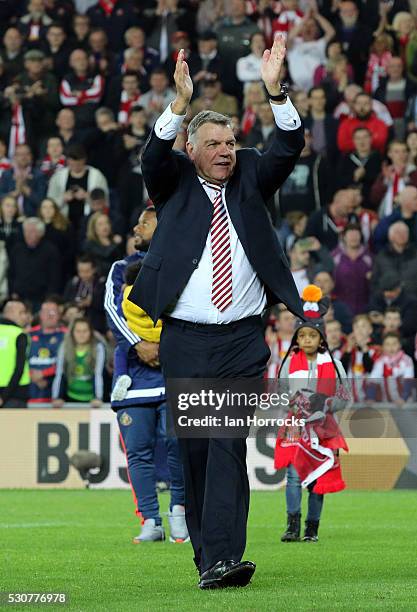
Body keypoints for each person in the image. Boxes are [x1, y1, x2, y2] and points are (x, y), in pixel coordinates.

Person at [129, 39, 304, 589]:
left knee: (227, 443)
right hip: (186, 339)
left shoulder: (253, 173)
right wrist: (177, 104)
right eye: (214, 143)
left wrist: (276, 91)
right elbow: (152, 157)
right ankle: (209, 559)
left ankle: (225, 558)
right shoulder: (173, 179)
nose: (227, 150)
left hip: (242, 342)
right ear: (192, 146)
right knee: (199, 452)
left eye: (231, 141)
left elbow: (290, 145)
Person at [105, 208, 188, 544]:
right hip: (133, 378)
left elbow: (188, 313)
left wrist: (163, 346)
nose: (135, 226)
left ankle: (179, 514)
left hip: (173, 373)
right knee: (137, 451)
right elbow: (111, 309)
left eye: (144, 222)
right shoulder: (121, 268)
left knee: (178, 446)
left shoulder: (183, 263)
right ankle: (151, 520)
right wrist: (139, 344)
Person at [274, 285, 350, 543]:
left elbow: (345, 396)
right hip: (296, 426)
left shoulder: (334, 364)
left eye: (312, 335)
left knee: (318, 476)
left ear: (321, 338)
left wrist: (326, 405)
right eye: (302, 335)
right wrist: (292, 405)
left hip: (323, 428)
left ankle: (312, 527)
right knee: (293, 476)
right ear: (296, 338)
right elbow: (280, 392)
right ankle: (292, 525)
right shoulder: (287, 363)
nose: (307, 340)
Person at [8, 217, 61, 311]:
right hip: (19, 297)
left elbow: (55, 276)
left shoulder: (50, 250)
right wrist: (13, 291)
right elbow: (11, 273)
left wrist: (49, 297)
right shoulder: (17, 249)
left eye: (32, 231)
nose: (28, 234)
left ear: (41, 233)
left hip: (41, 298)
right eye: (26, 231)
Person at [51, 317, 106, 407]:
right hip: (70, 396)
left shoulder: (98, 348)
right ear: (72, 333)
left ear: (90, 333)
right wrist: (56, 397)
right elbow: (59, 374)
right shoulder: (64, 347)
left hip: (91, 398)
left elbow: (98, 374)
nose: (81, 335)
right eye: (78, 331)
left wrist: (98, 397)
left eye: (85, 331)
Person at [28, 298, 67, 404]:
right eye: (46, 312)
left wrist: (43, 373)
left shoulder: (67, 335)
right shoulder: (28, 334)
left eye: (53, 312)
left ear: (59, 315)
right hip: (29, 390)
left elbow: (68, 362)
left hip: (55, 394)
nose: (50, 315)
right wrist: (32, 374)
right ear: (40, 314)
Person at [368, 332, 415, 404]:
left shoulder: (407, 360)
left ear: (400, 345)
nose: (391, 347)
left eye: (394, 344)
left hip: (406, 402)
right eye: (387, 344)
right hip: (387, 403)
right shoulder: (380, 362)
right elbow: (373, 382)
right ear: (383, 346)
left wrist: (403, 399)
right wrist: (370, 398)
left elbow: (408, 382)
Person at [0, 300, 30, 409]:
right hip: (15, 395)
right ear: (10, 313)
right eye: (21, 313)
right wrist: (3, 397)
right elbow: (19, 368)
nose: (25, 317)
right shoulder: (19, 334)